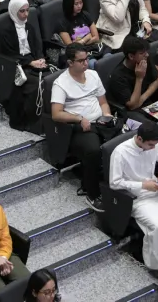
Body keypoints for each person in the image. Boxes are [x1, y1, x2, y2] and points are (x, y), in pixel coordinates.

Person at [109, 121, 158, 272]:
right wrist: (142, 185)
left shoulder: (153, 144)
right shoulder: (120, 152)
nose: (154, 148)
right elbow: (115, 183)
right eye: (151, 145)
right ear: (139, 139)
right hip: (136, 197)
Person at [52, 44, 113, 212]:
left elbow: (103, 102)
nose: (86, 63)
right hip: (79, 127)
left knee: (124, 137)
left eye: (87, 59)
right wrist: (79, 118)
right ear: (70, 62)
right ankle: (91, 193)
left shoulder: (93, 75)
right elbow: (56, 114)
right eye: (81, 60)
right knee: (93, 150)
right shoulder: (61, 83)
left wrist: (107, 116)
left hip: (100, 121)